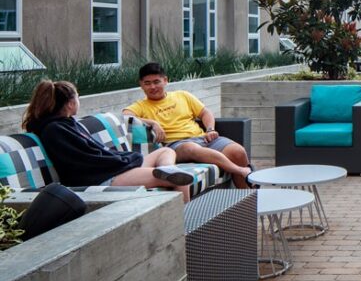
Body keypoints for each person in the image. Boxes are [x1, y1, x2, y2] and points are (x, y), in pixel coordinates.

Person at [23, 80, 194, 201]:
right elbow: (88, 161)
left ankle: (167, 169)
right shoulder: (55, 130)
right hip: (103, 177)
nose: (78, 101)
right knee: (182, 179)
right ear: (69, 104)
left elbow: (94, 154)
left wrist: (125, 158)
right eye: (77, 97)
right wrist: (125, 160)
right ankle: (182, 229)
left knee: (167, 151)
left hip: (112, 169)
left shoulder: (65, 125)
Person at [123, 63, 252, 188]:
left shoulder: (182, 96)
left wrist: (210, 129)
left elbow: (205, 112)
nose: (152, 87)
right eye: (147, 83)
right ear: (141, 85)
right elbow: (125, 116)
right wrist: (153, 123)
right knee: (191, 148)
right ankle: (241, 170)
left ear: (165, 81)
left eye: (156, 82)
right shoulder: (140, 106)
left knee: (238, 152)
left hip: (203, 138)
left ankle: (247, 198)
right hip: (176, 145)